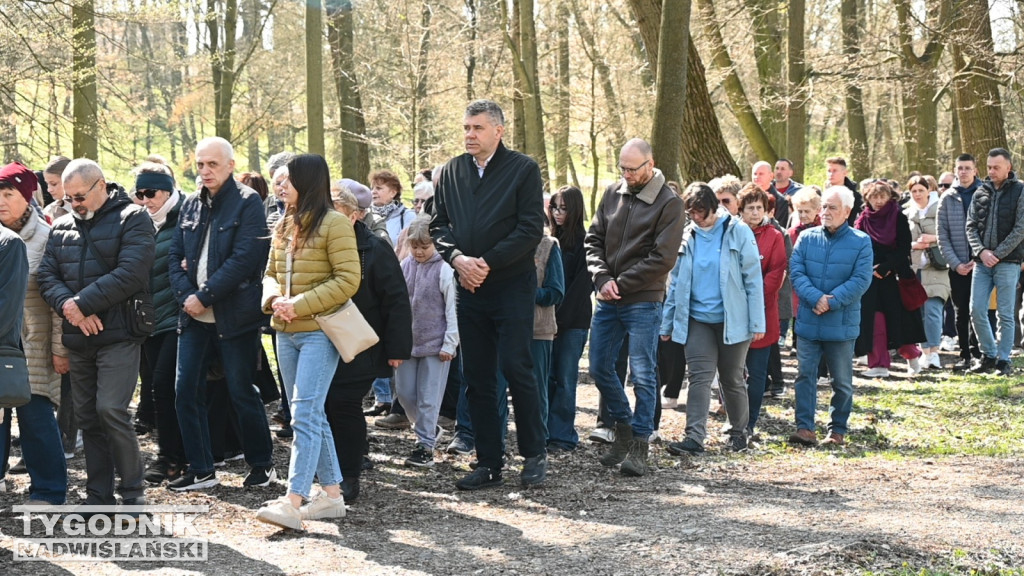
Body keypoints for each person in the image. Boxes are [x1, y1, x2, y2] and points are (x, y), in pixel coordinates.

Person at [430, 99, 547, 490]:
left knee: (517, 367)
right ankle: (489, 462)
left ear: (498, 130)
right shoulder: (450, 172)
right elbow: (438, 225)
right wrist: (459, 259)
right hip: (469, 287)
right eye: (466, 127)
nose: (469, 135)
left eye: (477, 128)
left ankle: (534, 454)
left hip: (510, 286)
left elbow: (530, 228)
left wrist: (486, 263)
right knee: (476, 376)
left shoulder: (523, 169)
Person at [37, 158, 155, 506]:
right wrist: (73, 309)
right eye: (68, 199)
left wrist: (81, 304)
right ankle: (98, 496)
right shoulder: (60, 226)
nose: (74, 204)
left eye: (79, 197)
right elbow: (47, 277)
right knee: (88, 417)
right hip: (80, 336)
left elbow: (132, 272)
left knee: (110, 410)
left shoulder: (134, 218)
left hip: (120, 332)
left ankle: (133, 494)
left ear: (101, 185)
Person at [255, 153, 360, 530]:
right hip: (286, 333)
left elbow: (348, 280)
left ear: (308, 182)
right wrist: (273, 301)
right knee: (311, 414)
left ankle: (292, 500)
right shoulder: (284, 222)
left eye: (288, 181)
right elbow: (269, 272)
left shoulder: (335, 223)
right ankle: (331, 497)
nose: (281, 187)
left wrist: (297, 304)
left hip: (319, 332)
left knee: (302, 414)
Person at [168, 137, 275, 492]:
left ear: (230, 165)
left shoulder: (248, 203)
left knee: (241, 390)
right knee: (185, 391)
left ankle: (261, 464)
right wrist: (187, 297)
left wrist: (205, 295)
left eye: (212, 164)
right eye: (200, 164)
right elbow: (174, 257)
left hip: (234, 315)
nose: (205, 171)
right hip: (193, 315)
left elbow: (246, 260)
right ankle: (201, 469)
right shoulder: (190, 205)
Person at [586, 138, 684, 476]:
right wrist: (601, 279)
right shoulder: (613, 193)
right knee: (599, 366)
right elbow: (593, 239)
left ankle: (640, 443)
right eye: (622, 168)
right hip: (608, 296)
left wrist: (622, 284)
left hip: (643, 298)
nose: (626, 174)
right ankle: (624, 427)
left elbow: (663, 258)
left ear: (650, 163)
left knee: (643, 374)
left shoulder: (670, 203)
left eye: (633, 169)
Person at [661, 183, 763, 455]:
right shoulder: (687, 236)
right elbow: (676, 282)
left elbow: (753, 278)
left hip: (733, 319)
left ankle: (738, 431)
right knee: (698, 377)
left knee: (732, 378)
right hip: (697, 320)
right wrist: (667, 321)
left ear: (714, 208)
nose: (696, 218)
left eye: (701, 213)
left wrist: (757, 323)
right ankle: (694, 437)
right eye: (691, 213)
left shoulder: (738, 232)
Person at [326, 189, 411, 502]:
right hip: (321, 339)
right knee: (324, 405)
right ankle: (331, 469)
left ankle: (349, 475)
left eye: (337, 215)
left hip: (361, 340)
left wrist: (398, 348)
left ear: (354, 216)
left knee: (344, 403)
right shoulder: (318, 245)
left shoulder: (374, 248)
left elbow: (396, 298)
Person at [0, 163, 68, 505]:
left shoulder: (47, 237)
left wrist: (60, 350)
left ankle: (50, 490)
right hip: (2, 344)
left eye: (8, 194)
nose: (1, 201)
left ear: (27, 197)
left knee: (36, 418)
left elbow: (57, 300)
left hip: (35, 345)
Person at [788, 186, 873, 446]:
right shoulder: (806, 238)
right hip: (809, 320)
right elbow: (796, 271)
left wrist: (831, 302)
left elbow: (861, 280)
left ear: (847, 212)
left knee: (842, 381)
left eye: (832, 207)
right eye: (823, 206)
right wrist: (816, 298)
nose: (825, 212)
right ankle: (805, 428)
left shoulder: (861, 242)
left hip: (841, 323)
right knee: (805, 375)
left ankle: (837, 431)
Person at [121, 163, 188, 485]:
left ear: (168, 190)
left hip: (179, 318)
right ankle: (177, 453)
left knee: (165, 387)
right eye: (140, 193)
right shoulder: (137, 224)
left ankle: (170, 458)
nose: (145, 199)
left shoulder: (186, 218)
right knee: (155, 388)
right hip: (146, 320)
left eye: (151, 193)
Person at [395, 216, 459, 468]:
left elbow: (453, 309)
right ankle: (428, 428)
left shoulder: (444, 269)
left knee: (428, 397)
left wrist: (450, 343)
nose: (419, 252)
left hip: (436, 345)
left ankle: (425, 446)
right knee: (405, 393)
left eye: (425, 246)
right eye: (415, 247)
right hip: (408, 343)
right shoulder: (405, 266)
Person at [854, 180, 926, 378]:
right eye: (874, 197)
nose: (878, 201)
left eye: (882, 196)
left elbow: (904, 248)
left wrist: (886, 267)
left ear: (889, 197)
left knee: (901, 322)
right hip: (871, 278)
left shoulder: (898, 217)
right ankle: (878, 364)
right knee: (874, 321)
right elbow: (858, 247)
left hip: (895, 277)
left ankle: (912, 357)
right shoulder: (862, 220)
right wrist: (870, 268)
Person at [965, 148, 1024, 376]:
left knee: (1005, 313)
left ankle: (1003, 360)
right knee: (976, 309)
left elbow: (1021, 228)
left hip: (1008, 262)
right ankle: (988, 355)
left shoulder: (1020, 191)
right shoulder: (981, 191)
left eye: (996, 167)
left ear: (1008, 167)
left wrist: (997, 253)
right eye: (989, 167)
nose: (991, 171)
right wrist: (981, 252)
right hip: (981, 262)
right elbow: (970, 226)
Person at [735, 184, 787, 439]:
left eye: (759, 208)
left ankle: (749, 422)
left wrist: (750, 297)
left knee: (756, 373)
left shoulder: (774, 236)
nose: (755, 213)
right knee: (731, 371)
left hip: (763, 313)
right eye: (750, 208)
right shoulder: (731, 233)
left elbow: (776, 273)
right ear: (740, 210)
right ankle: (735, 419)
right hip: (732, 313)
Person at [546, 186, 592, 453]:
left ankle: (563, 435)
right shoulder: (549, 240)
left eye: (563, 208)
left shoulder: (585, 242)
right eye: (554, 207)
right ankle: (545, 431)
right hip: (546, 321)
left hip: (572, 322)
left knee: (564, 378)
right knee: (547, 377)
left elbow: (579, 289)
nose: (558, 213)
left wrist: (558, 320)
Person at [905, 175, 950, 370]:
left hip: (937, 269)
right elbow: (902, 241)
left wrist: (933, 238)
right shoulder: (907, 213)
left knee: (933, 310)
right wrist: (916, 244)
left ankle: (934, 353)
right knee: (920, 313)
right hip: (916, 270)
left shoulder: (941, 209)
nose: (917, 194)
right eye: (913, 191)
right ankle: (925, 352)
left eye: (920, 190)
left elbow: (952, 235)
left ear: (928, 191)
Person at [370, 169, 415, 247]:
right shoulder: (365, 215)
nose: (373, 191)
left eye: (378, 188)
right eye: (372, 188)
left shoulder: (408, 217)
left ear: (393, 193)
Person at [752, 160, 790, 231]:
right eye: (755, 174)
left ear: (771, 176)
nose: (756, 177)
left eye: (761, 174)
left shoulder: (780, 201)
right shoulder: (744, 197)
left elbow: (780, 228)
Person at [825, 157, 864, 225]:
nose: (831, 174)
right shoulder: (823, 195)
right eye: (829, 171)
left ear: (845, 173)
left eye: (835, 171)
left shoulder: (856, 197)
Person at [41, 156, 72, 222]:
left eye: (54, 184)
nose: (49, 189)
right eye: (47, 184)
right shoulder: (49, 211)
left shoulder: (86, 209)